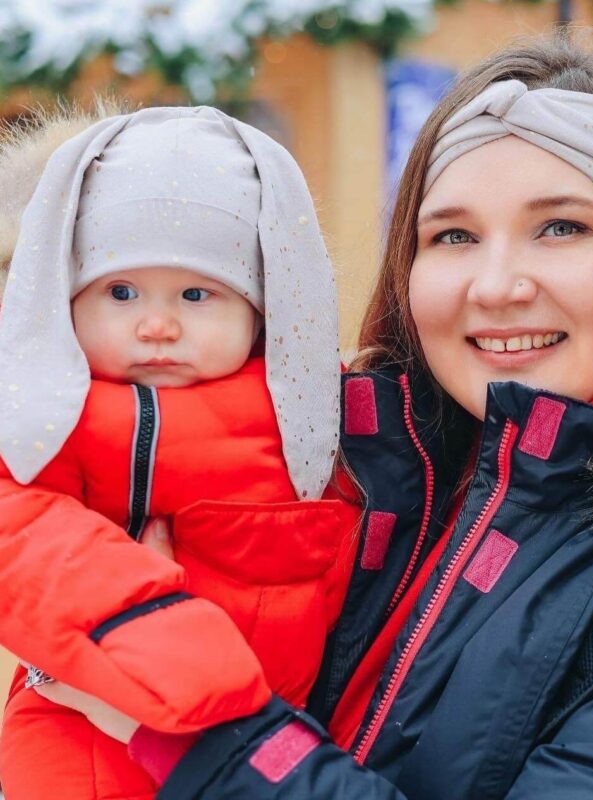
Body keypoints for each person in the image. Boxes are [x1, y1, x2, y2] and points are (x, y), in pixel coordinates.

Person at [15, 35, 593, 799]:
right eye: (452, 235)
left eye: (562, 227)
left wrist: (195, 737)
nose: (494, 286)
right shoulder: (366, 466)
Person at [0, 106, 360, 800]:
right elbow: (20, 532)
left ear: (263, 310)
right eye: (121, 292)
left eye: (198, 294)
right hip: (87, 734)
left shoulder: (313, 410)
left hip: (265, 749)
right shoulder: (51, 416)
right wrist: (147, 626)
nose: (158, 324)